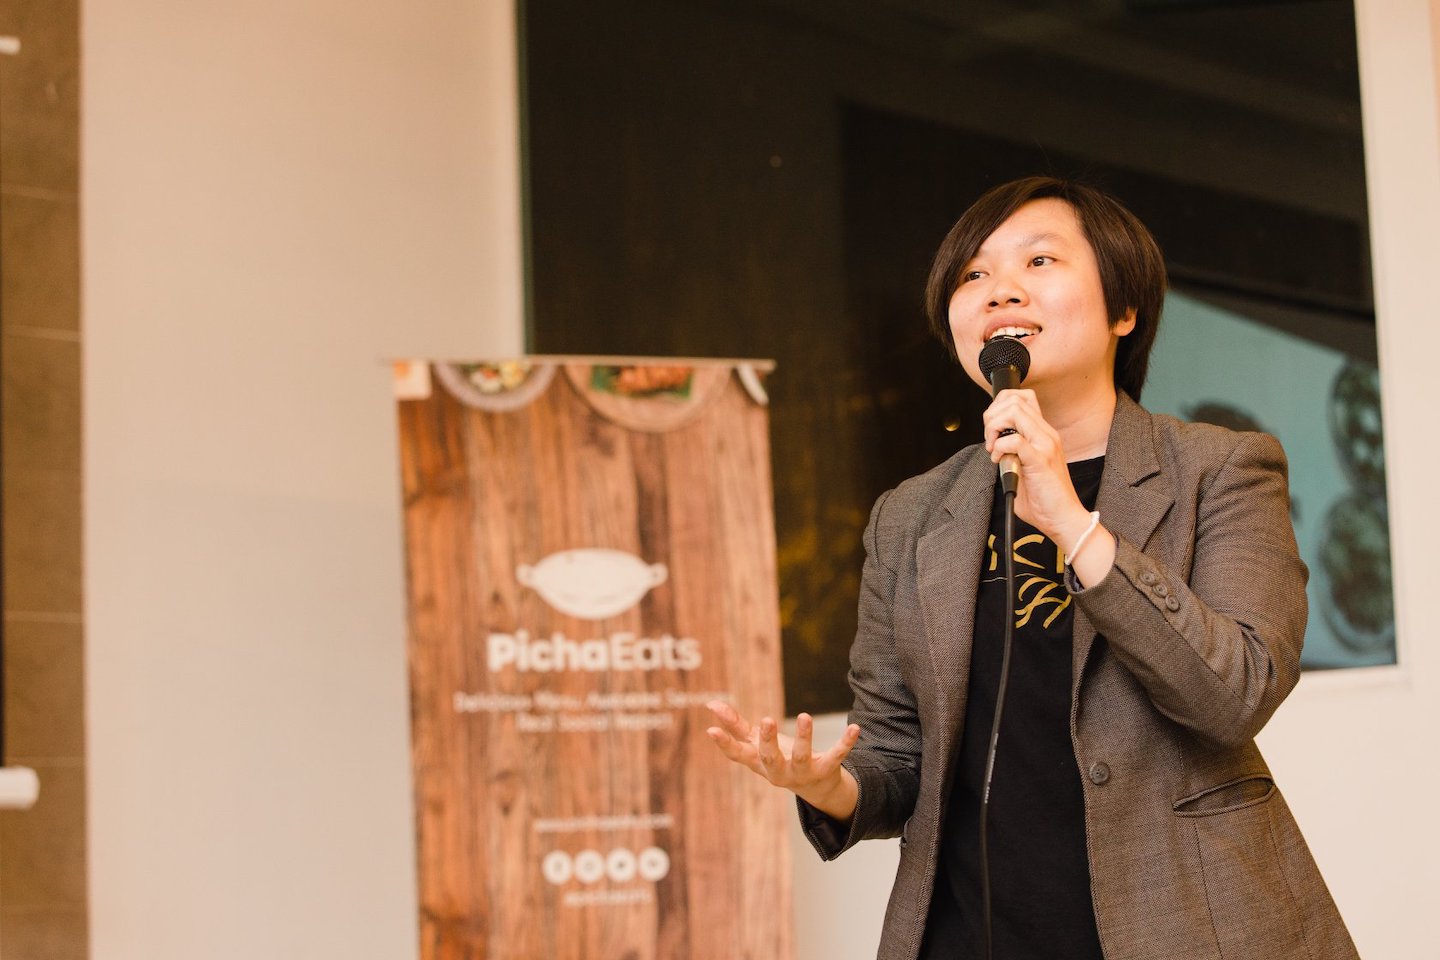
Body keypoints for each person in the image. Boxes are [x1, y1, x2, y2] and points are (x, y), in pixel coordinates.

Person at [706, 176, 1358, 959]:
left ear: (1125, 309)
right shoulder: (911, 516)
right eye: (973, 275)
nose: (1000, 290)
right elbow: (895, 754)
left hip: (1179, 929)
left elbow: (1234, 695)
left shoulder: (1218, 470)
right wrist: (829, 786)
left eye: (1039, 261)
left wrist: (1073, 523)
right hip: (969, 935)